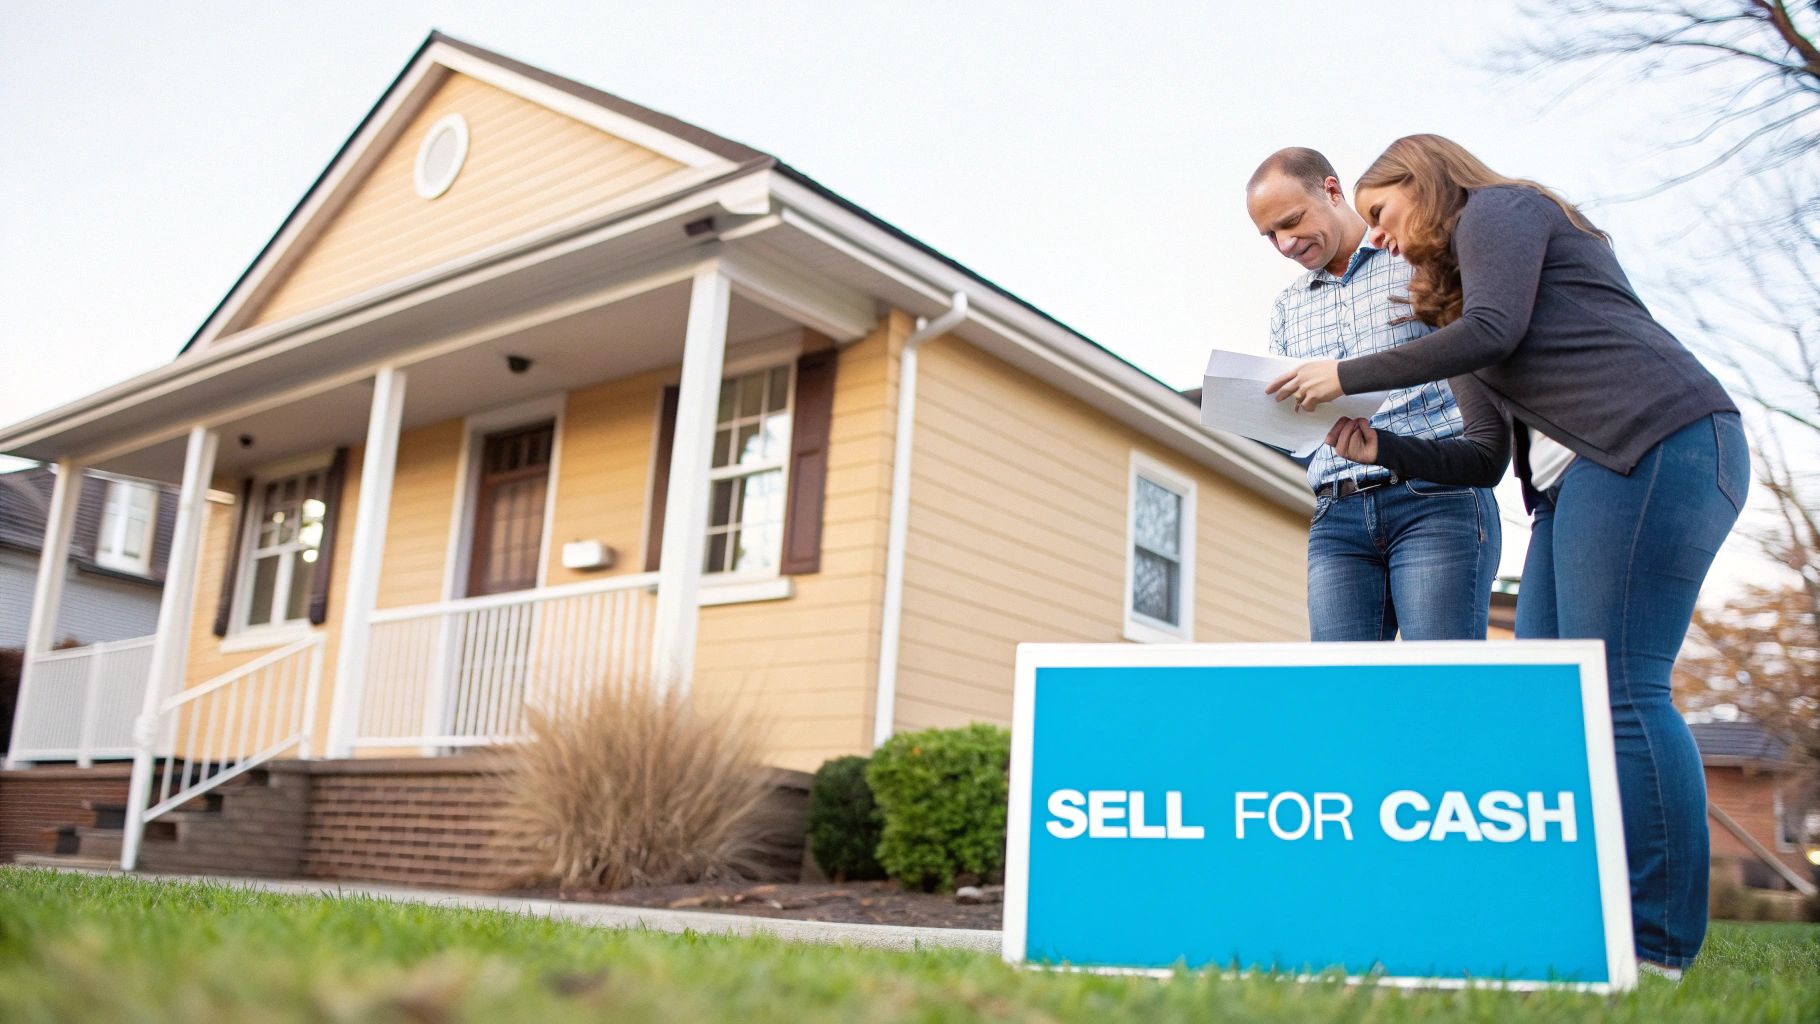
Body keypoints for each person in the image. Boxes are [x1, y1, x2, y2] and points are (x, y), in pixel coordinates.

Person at [1268, 134, 1746, 978]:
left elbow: (1494, 329)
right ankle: (1578, 924)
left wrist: (1345, 372)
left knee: (1622, 689)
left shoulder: (1500, 210)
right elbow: (1484, 456)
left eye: (1381, 211)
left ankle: (1658, 948)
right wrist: (1383, 446)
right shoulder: (1461, 313)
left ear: (1421, 180)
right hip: (1573, 484)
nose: (1378, 236)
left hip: (1655, 444)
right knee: (1553, 703)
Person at [1245, 147, 1502, 642]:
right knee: (1343, 686)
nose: (1285, 244)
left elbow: (1475, 350)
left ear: (1331, 191)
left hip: (1434, 497)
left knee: (1438, 679)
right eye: (1270, 235)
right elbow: (1298, 421)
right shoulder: (1286, 308)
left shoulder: (1412, 257)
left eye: (1292, 221)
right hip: (1336, 515)